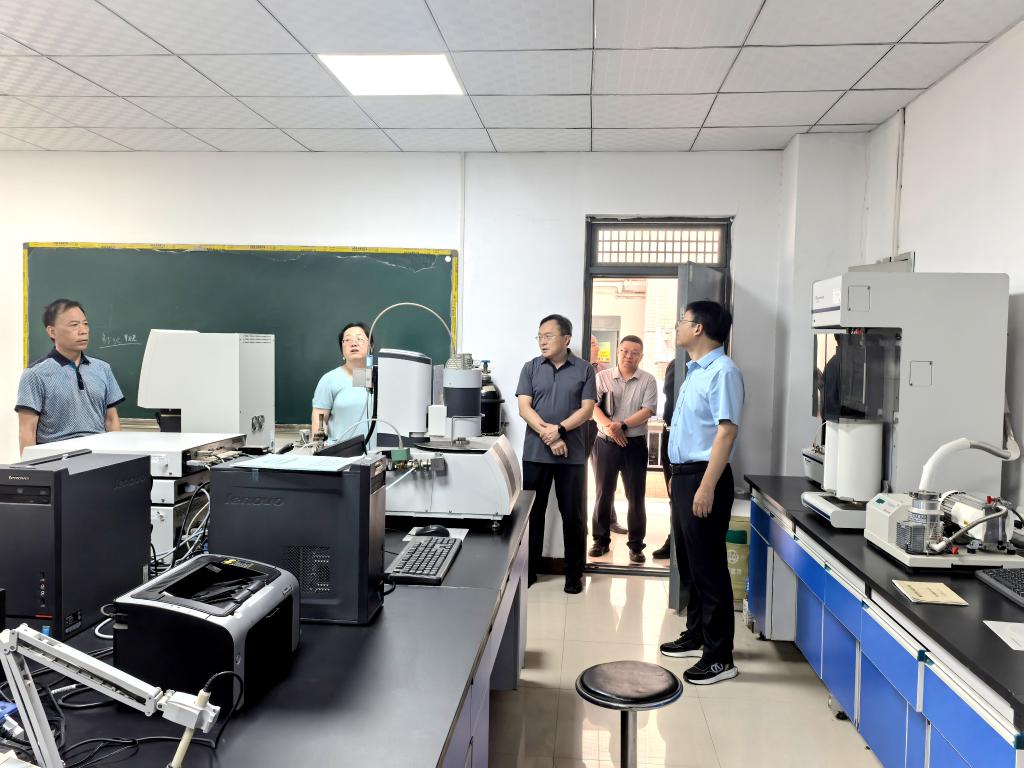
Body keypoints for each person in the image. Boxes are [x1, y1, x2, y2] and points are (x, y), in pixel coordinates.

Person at [659, 301, 744, 686]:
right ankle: (696, 635)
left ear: (699, 328)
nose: (677, 326)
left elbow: (726, 431)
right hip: (686, 477)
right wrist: (678, 475)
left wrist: (706, 485)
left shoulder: (723, 371)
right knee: (691, 564)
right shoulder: (695, 371)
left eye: (682, 320)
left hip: (705, 478)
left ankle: (720, 657)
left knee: (709, 568)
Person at [517, 314, 596, 594]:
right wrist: (550, 437)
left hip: (571, 457)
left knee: (573, 515)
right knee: (532, 515)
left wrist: (560, 430)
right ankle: (529, 570)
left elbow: (587, 410)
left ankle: (574, 574)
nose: (542, 341)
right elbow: (524, 408)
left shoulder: (585, 369)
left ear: (566, 339)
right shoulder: (530, 367)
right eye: (539, 336)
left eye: (548, 336)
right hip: (535, 454)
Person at [16, 298, 124, 453]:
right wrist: (32, 467)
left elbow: (111, 420)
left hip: (99, 454)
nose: (83, 330)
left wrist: (118, 457)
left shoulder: (102, 369)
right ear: (52, 331)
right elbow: (27, 430)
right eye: (74, 325)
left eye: (85, 324)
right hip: (57, 457)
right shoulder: (34, 375)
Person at [589, 335, 658, 563]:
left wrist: (623, 425)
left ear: (641, 356)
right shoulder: (602, 377)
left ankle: (636, 546)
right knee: (603, 494)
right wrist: (611, 429)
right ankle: (600, 541)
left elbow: (648, 410)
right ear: (618, 351)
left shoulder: (648, 380)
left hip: (634, 446)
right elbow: (592, 407)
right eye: (625, 351)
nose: (629, 356)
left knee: (635, 497)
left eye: (634, 353)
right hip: (605, 443)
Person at [312, 322, 372, 442]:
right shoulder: (330, 379)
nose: (354, 343)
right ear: (342, 349)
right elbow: (319, 416)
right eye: (348, 340)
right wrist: (321, 444)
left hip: (378, 451)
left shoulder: (382, 377)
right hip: (341, 450)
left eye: (359, 338)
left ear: (371, 345)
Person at [651, 361, 676, 560]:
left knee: (680, 494)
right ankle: (673, 538)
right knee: (672, 493)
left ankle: (676, 541)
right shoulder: (674, 364)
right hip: (668, 434)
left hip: (684, 436)